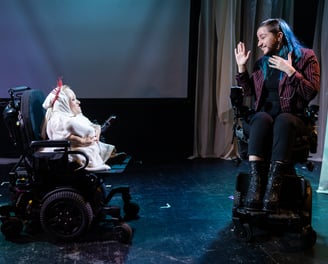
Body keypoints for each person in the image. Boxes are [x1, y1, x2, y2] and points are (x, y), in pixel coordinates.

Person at [234, 18, 320, 211]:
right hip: (263, 117)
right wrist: (241, 68)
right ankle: (256, 187)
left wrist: (290, 71)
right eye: (258, 38)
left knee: (283, 119)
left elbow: (311, 92)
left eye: (263, 37)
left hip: (292, 118)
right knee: (262, 118)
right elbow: (249, 92)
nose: (259, 43)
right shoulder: (261, 63)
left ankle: (273, 188)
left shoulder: (306, 57)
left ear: (279, 36)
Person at [42, 79, 125, 171]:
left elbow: (91, 127)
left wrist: (96, 131)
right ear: (63, 104)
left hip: (81, 147)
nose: (78, 102)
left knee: (101, 147)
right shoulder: (60, 120)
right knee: (91, 151)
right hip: (70, 152)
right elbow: (68, 136)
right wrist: (83, 140)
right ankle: (104, 159)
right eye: (73, 100)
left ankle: (107, 157)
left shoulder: (72, 116)